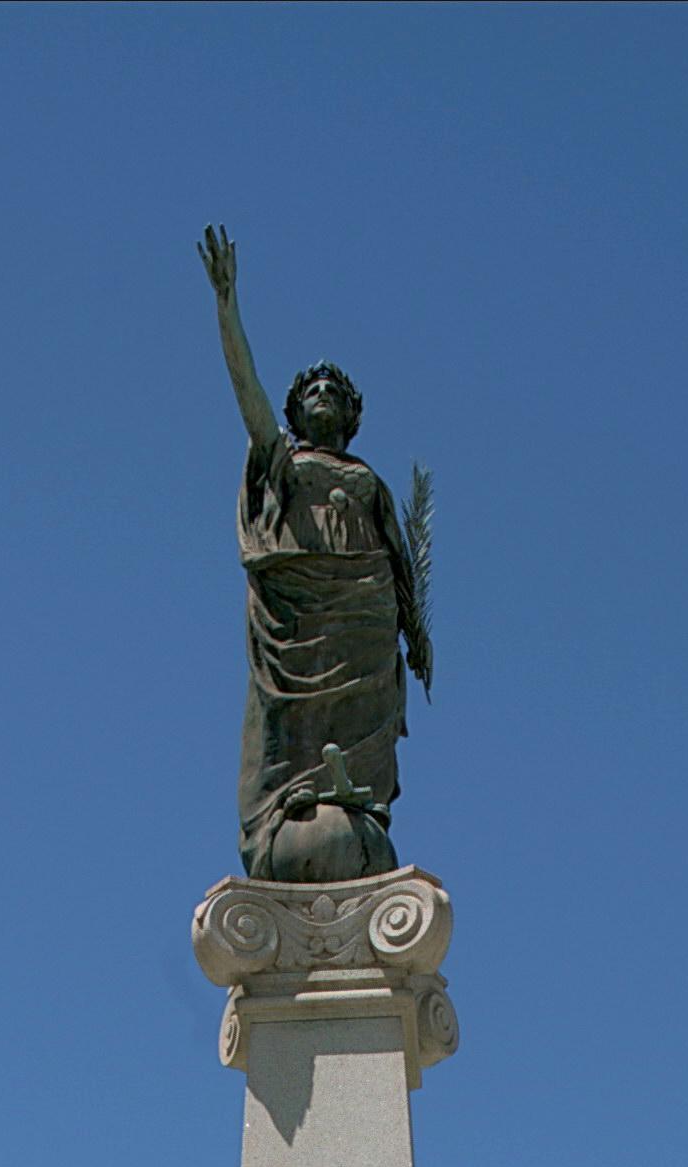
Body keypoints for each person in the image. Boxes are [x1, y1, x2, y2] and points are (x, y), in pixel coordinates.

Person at [199, 227, 432, 881]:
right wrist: (227, 309)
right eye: (312, 392)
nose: (322, 397)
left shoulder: (368, 480)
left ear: (351, 414)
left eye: (334, 392)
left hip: (365, 609)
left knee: (362, 727)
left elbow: (402, 566)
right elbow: (247, 396)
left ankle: (353, 808)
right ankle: (286, 810)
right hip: (298, 612)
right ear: (296, 411)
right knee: (286, 726)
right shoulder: (279, 461)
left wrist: (416, 636)